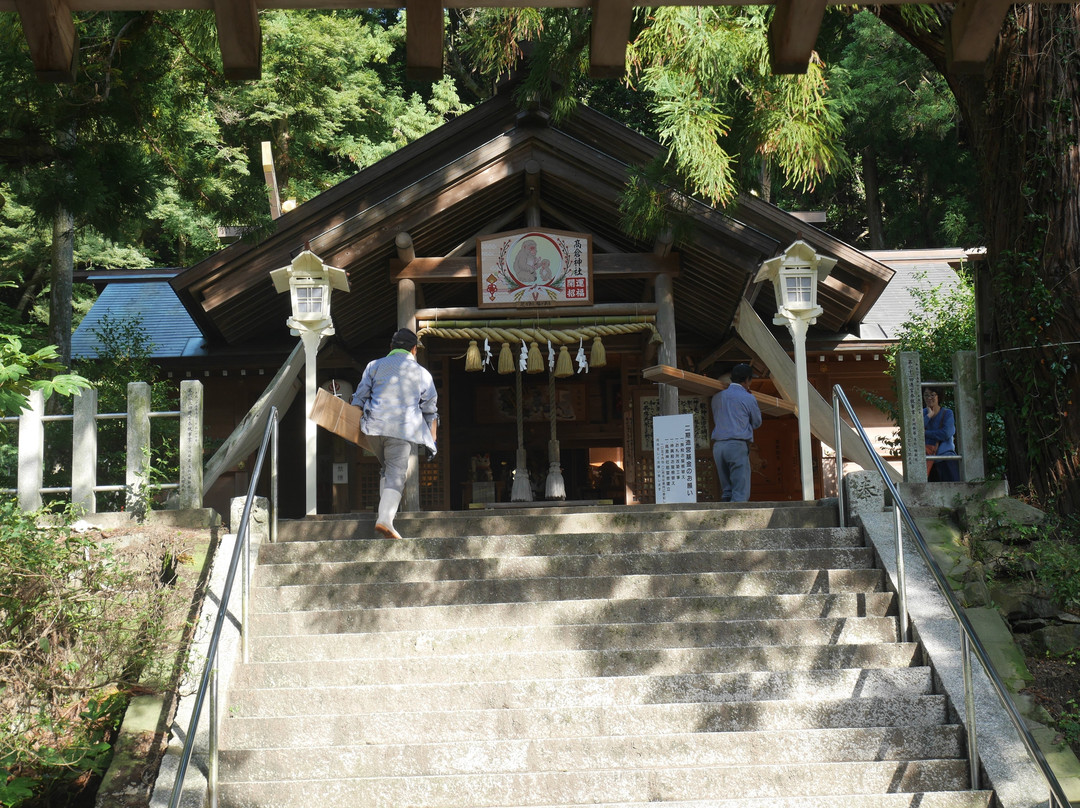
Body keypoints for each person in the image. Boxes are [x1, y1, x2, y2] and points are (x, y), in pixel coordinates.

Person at [351, 328, 438, 538]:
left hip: (373, 427)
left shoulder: (374, 365)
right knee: (397, 473)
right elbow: (430, 409)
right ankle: (385, 520)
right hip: (401, 428)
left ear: (391, 347)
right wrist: (432, 437)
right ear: (414, 350)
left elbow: (359, 397)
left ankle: (385, 516)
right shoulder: (422, 373)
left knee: (387, 469)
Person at [710, 363, 762, 502]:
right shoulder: (748, 397)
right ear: (747, 380)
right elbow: (757, 422)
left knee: (727, 491)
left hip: (718, 446)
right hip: (737, 445)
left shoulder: (717, 397)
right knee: (740, 492)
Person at [923, 386, 959, 482]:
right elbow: (916, 432)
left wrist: (925, 433)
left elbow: (946, 433)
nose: (929, 398)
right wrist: (928, 417)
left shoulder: (947, 413)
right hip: (928, 460)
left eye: (932, 395)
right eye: (926, 395)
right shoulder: (922, 414)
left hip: (946, 458)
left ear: (939, 396)